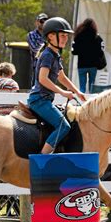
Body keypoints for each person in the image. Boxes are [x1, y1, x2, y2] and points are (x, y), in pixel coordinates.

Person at [27, 17, 86, 154]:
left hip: (44, 99)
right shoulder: (48, 55)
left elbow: (61, 77)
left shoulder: (54, 55)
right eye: (63, 35)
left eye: (67, 36)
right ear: (51, 36)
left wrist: (77, 92)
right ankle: (43, 158)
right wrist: (63, 93)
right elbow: (43, 79)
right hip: (39, 100)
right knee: (63, 126)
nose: (66, 38)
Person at [72, 18, 105, 93]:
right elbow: (101, 51)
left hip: (82, 65)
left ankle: (81, 102)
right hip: (93, 65)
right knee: (92, 87)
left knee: (82, 87)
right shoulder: (97, 37)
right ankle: (91, 102)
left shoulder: (78, 36)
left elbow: (74, 51)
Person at [27, 13, 48, 87]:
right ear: (37, 22)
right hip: (37, 66)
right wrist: (44, 44)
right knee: (35, 87)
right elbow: (34, 49)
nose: (43, 23)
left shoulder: (50, 35)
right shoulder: (31, 35)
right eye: (41, 21)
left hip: (49, 66)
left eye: (45, 21)